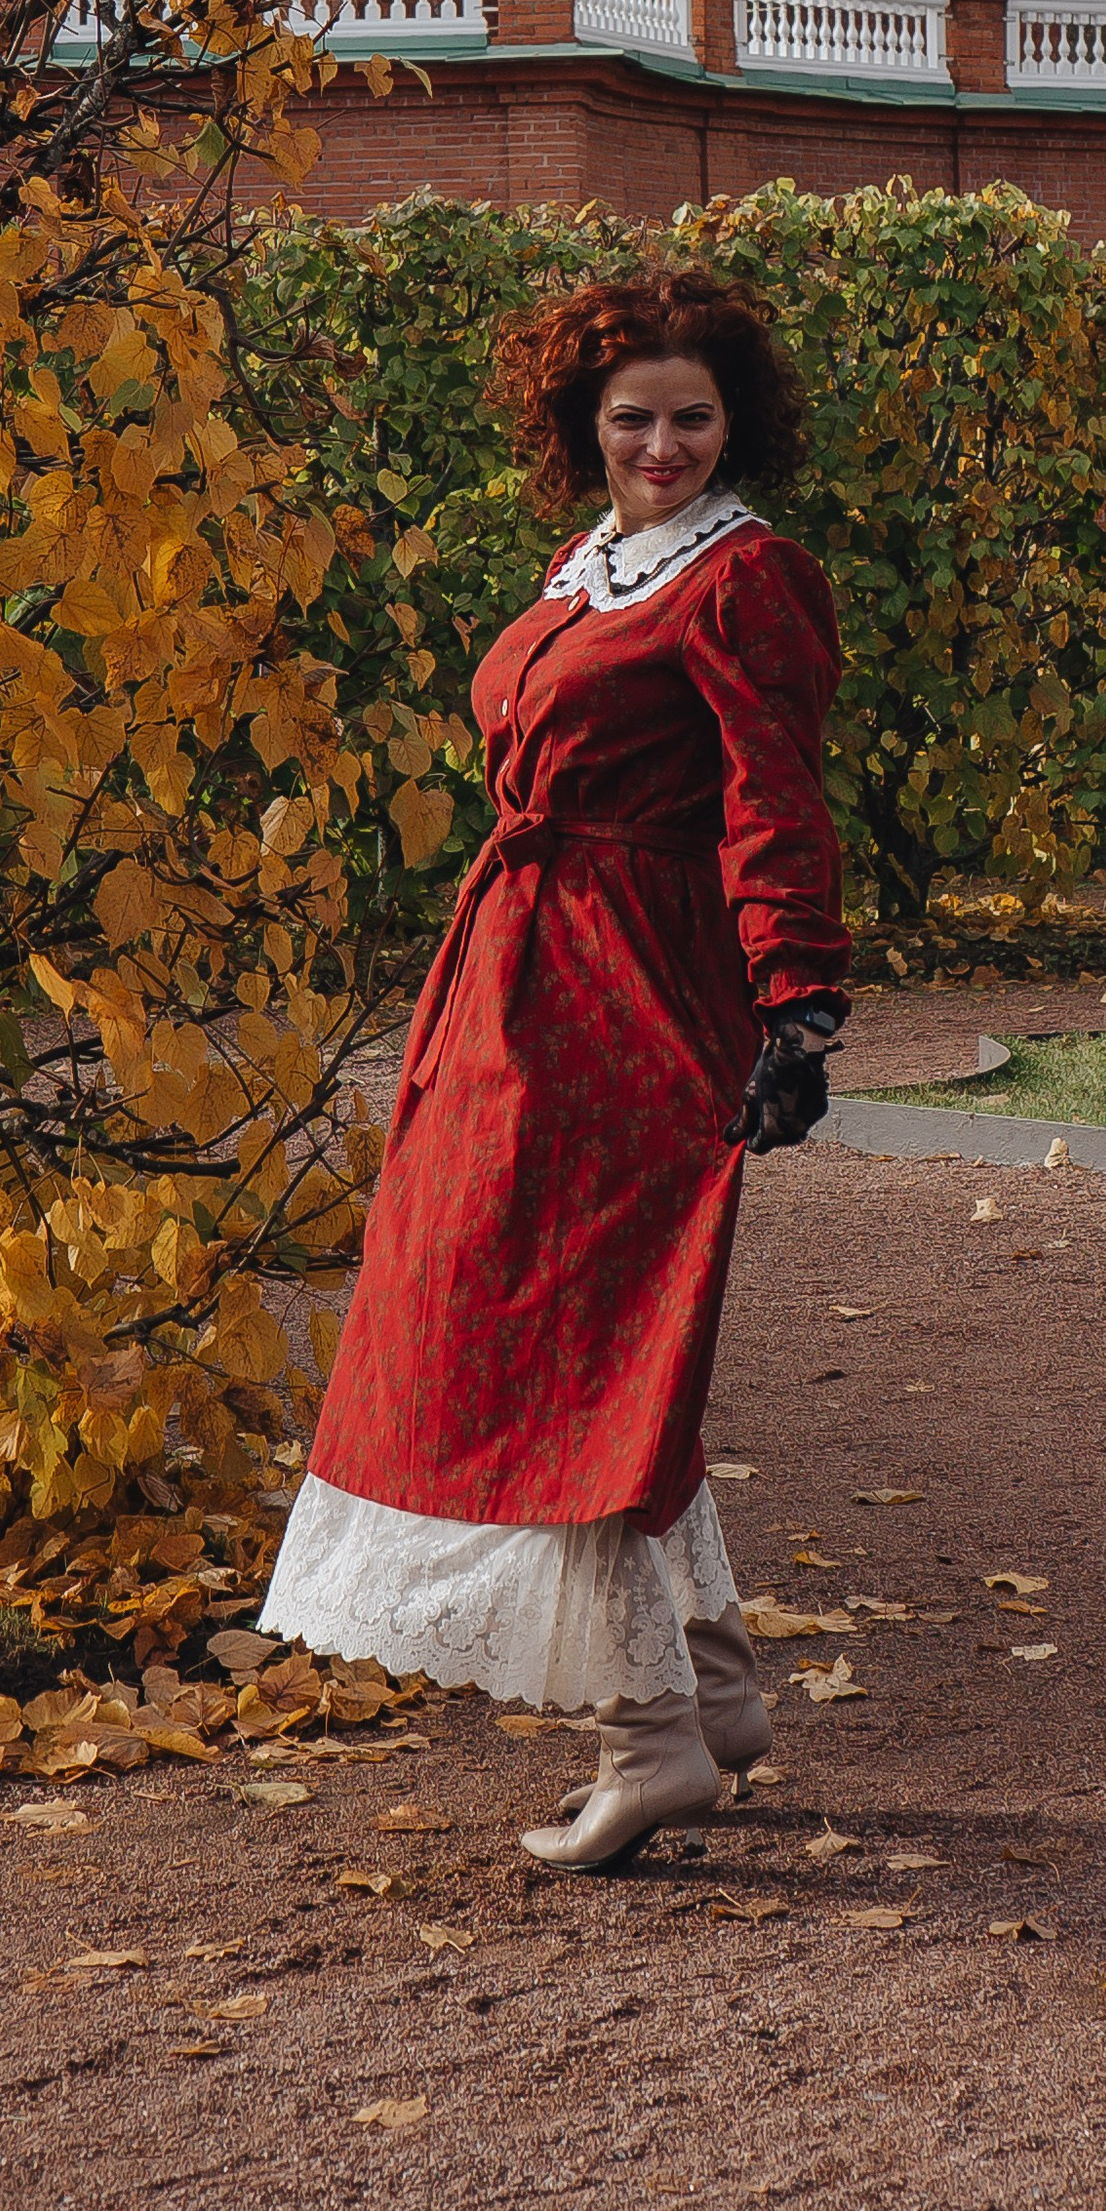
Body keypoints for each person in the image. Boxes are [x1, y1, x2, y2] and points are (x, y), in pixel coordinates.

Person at [259, 264, 852, 1871]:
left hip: (633, 998)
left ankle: (646, 1737)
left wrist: (799, 1002)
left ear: (737, 425)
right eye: (632, 418)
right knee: (552, 1338)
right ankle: (713, 1692)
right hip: (518, 988)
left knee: (573, 1357)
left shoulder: (746, 579)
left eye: (692, 419)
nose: (662, 444)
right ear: (583, 429)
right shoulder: (592, 565)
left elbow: (771, 798)